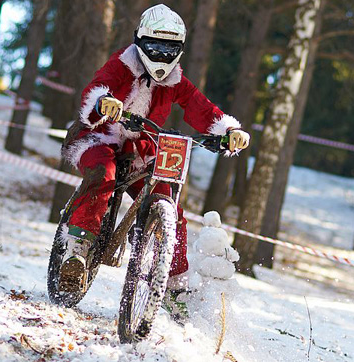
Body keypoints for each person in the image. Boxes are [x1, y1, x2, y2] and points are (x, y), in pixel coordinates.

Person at [58, 4, 250, 320]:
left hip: (142, 147)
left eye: (169, 49)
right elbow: (97, 87)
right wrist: (104, 102)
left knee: (169, 204)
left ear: (179, 50)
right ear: (140, 43)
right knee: (103, 174)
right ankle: (76, 253)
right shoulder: (122, 66)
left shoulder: (175, 81)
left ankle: (173, 285)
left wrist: (229, 131)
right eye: (155, 47)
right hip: (101, 136)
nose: (161, 56)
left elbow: (201, 108)